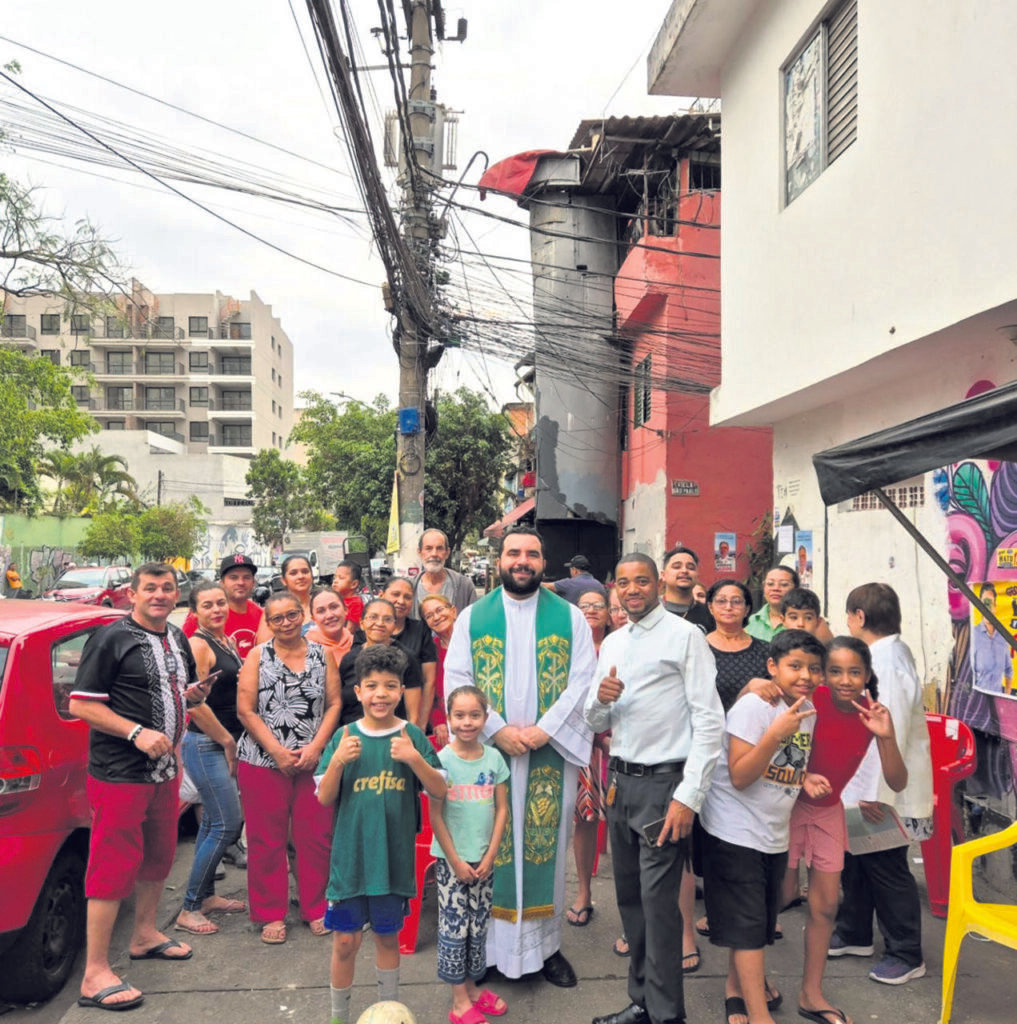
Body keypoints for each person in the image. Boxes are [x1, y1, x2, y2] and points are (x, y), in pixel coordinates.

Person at [444, 525, 596, 986]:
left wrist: (542, 732)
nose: (522, 561)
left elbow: (582, 680)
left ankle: (546, 950)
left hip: (549, 753)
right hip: (491, 754)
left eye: (531, 553)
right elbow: (457, 678)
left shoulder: (570, 618)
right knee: (491, 845)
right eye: (514, 553)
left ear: (543, 563)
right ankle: (489, 952)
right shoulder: (473, 618)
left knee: (545, 846)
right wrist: (499, 731)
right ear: (499, 560)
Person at [584, 553, 724, 1024]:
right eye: (623, 582)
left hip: (665, 787)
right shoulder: (614, 642)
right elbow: (595, 718)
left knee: (659, 907)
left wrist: (689, 796)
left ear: (658, 582)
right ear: (615, 589)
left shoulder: (686, 637)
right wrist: (600, 702)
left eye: (641, 580)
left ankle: (667, 1015)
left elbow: (709, 721)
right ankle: (642, 1000)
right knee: (629, 900)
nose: (632, 589)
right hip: (619, 784)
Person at [68, 563, 209, 1011]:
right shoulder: (110, 639)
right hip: (119, 775)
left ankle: (145, 934)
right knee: (111, 869)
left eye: (168, 588)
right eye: (151, 588)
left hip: (164, 774)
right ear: (132, 593)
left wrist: (191, 698)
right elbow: (81, 705)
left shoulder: (177, 637)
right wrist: (136, 733)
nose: (160, 595)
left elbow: (171, 689)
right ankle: (94, 974)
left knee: (158, 856)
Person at [698, 630, 824, 1024]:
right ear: (772, 667)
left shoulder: (808, 710)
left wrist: (804, 778)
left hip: (773, 832)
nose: (805, 675)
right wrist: (773, 734)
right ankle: (758, 1015)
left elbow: (786, 762)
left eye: (814, 669)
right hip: (734, 832)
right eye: (795, 666)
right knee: (750, 928)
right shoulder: (755, 708)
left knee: (757, 924)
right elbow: (739, 775)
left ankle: (737, 991)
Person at [316, 644, 447, 1024]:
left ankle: (390, 1013)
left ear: (400, 691)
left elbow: (439, 790)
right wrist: (338, 761)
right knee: (344, 941)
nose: (380, 694)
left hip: (393, 861)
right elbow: (324, 798)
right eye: (371, 686)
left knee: (388, 939)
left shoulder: (410, 738)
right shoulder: (343, 737)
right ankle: (339, 1017)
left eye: (390, 686)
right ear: (357, 691)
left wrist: (414, 759)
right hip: (351, 860)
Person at [787, 638, 906, 1024]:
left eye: (854, 672)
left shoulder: (872, 713)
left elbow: (898, 780)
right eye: (834, 670)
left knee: (824, 906)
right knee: (774, 898)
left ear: (868, 676)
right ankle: (740, 987)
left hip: (828, 813)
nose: (844, 680)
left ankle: (811, 993)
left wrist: (885, 736)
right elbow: (771, 740)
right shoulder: (810, 697)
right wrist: (802, 776)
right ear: (823, 672)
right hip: (787, 808)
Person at [833, 583, 933, 986]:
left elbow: (889, 729)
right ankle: (855, 932)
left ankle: (906, 952)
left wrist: (877, 793)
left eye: (849, 617)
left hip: (881, 787)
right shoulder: (885, 654)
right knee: (856, 861)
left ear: (858, 616)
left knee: (886, 866)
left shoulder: (885, 663)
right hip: (863, 783)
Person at [236, 592, 341, 944]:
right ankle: (270, 913)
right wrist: (277, 752)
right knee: (267, 840)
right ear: (268, 622)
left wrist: (316, 747)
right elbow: (246, 710)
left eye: (292, 615)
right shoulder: (257, 656)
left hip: (311, 759)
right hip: (263, 760)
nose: (285, 623)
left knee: (315, 837)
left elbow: (334, 703)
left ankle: (316, 907)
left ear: (303, 615)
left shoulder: (321, 654)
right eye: (277, 618)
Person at [690, 580, 773, 951]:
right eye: (720, 600)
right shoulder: (696, 650)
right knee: (701, 836)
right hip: (702, 752)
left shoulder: (766, 653)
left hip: (748, 757)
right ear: (709, 606)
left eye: (736, 601)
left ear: (747, 608)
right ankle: (706, 907)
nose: (728, 607)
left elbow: (775, 704)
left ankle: (724, 911)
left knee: (734, 839)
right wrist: (741, 695)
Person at [429, 685, 510, 1024]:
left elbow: (502, 809)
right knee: (454, 927)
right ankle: (459, 1000)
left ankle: (473, 987)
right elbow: (435, 816)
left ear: (486, 717)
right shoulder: (441, 761)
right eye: (459, 715)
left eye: (474, 715)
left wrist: (491, 854)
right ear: (448, 719)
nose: (467, 722)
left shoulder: (494, 759)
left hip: (484, 861)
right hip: (452, 864)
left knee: (478, 926)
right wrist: (456, 861)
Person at [175, 582, 247, 936]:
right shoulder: (199, 645)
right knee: (227, 824)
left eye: (221, 603)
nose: (217, 609)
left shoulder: (226, 641)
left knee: (211, 823)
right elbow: (193, 702)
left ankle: (206, 896)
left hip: (222, 742)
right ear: (195, 612)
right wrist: (227, 740)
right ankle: (189, 908)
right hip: (206, 743)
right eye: (208, 605)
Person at [568, 591, 613, 928]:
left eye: (600, 605)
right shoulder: (569, 650)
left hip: (621, 745)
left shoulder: (620, 646)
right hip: (582, 745)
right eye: (585, 606)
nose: (592, 611)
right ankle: (583, 891)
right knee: (584, 819)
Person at [338, 598, 425, 727]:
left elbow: (413, 714)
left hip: (393, 734)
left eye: (387, 619)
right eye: (373, 617)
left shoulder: (406, 658)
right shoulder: (349, 659)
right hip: (353, 735)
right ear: (362, 624)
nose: (380, 623)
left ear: (395, 626)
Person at [183, 554, 263, 659]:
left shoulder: (262, 615)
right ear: (222, 583)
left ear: (253, 582)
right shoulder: (204, 615)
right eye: (233, 577)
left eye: (246, 577)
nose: (241, 582)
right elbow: (185, 653)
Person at [384, 576, 438, 729]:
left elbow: (429, 681)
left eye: (407, 597)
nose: (401, 601)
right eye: (395, 594)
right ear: (382, 595)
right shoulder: (366, 632)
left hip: (412, 718)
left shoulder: (420, 630)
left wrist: (420, 724)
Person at [420, 593, 459, 747]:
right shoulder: (430, 650)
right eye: (429, 616)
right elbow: (429, 692)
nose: (436, 617)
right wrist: (438, 722)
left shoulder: (472, 640)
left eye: (440, 610)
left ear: (453, 611)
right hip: (445, 722)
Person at [411, 527, 479, 614]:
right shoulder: (410, 588)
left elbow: (474, 620)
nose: (434, 554)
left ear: (447, 553)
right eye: (428, 548)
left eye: (439, 548)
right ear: (419, 552)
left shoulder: (464, 586)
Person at [256, 555, 315, 642]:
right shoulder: (273, 609)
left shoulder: (322, 604)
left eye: (305, 571)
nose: (301, 576)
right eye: (293, 573)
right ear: (284, 580)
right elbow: (263, 649)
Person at [660, 547, 715, 634]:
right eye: (677, 567)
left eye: (691, 568)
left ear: (697, 575)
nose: (684, 571)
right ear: (663, 575)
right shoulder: (649, 610)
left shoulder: (711, 613)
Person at [971, 583, 1013, 693]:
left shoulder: (1003, 637)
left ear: (995, 606)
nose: (988, 608)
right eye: (985, 603)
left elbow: (1009, 670)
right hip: (977, 702)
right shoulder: (973, 636)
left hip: (998, 703)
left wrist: (1007, 697)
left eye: (990, 603)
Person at [746, 567, 799, 642]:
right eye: (770, 584)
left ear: (796, 589)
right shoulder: (751, 621)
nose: (776, 588)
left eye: (784, 584)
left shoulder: (805, 622)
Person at [306, 587, 356, 667]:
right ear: (313, 619)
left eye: (334, 607)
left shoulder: (358, 643)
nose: (329, 615)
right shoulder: (306, 650)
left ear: (346, 610)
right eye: (321, 611)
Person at [333, 560, 365, 626]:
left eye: (341, 578)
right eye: (334, 577)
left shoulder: (356, 603)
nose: (335, 581)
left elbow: (350, 629)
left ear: (354, 584)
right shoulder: (338, 600)